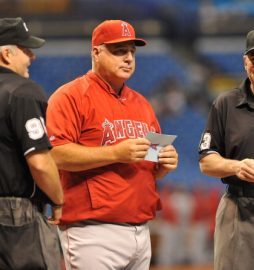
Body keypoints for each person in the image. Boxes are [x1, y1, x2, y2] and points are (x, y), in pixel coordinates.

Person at [46, 19, 178, 270]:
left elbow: (149, 166)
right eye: (119, 51)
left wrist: (165, 164)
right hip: (93, 231)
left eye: (131, 52)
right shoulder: (70, 96)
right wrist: (116, 152)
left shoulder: (142, 104)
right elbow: (55, 154)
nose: (128, 58)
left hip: (141, 229)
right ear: (96, 52)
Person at [199, 27, 254, 270]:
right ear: (245, 62)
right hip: (238, 206)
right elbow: (206, 161)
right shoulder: (226, 103)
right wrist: (236, 166)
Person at [0, 17, 64, 270]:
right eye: (26, 50)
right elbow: (39, 162)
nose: (32, 57)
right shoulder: (23, 91)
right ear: (6, 53)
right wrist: (57, 200)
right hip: (15, 216)